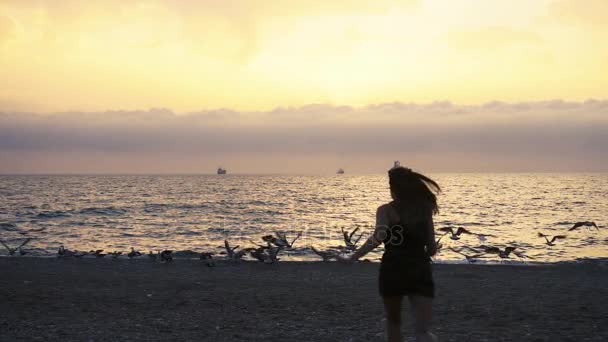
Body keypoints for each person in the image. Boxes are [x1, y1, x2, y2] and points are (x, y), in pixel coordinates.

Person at [340, 166, 440, 342]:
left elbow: (378, 238)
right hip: (419, 269)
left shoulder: (385, 210)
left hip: (393, 269)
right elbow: (431, 248)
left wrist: (353, 257)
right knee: (423, 331)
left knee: (393, 324)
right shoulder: (424, 209)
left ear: (393, 188)